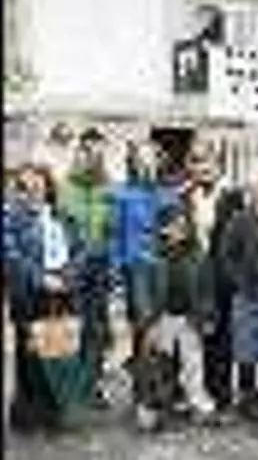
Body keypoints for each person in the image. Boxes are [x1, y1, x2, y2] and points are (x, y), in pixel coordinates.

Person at [5, 163, 93, 433]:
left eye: (37, 185)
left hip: (63, 293)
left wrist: (68, 277)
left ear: (48, 188)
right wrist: (40, 278)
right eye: (24, 186)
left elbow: (82, 249)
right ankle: (28, 416)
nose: (32, 191)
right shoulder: (11, 218)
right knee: (30, 357)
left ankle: (57, 413)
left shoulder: (63, 217)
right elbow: (10, 255)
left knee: (58, 352)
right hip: (30, 296)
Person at [133, 203, 220, 431]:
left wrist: (206, 316)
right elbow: (142, 293)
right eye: (173, 225)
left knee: (193, 363)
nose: (178, 230)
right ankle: (152, 408)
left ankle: (198, 403)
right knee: (157, 365)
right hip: (161, 317)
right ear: (163, 227)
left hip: (189, 317)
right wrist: (148, 323)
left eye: (183, 225)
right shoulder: (149, 255)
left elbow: (206, 290)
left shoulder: (198, 255)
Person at [219, 160, 258, 421]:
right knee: (246, 347)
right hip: (247, 293)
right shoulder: (240, 219)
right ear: (253, 188)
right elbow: (227, 255)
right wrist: (240, 282)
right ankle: (247, 398)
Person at [56, 127, 114, 409]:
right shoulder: (65, 187)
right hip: (75, 266)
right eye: (87, 150)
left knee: (97, 327)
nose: (92, 156)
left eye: (98, 151)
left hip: (101, 266)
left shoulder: (109, 187)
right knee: (72, 325)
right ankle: (69, 384)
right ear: (78, 152)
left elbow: (113, 228)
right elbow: (60, 227)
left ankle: (93, 384)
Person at [183, 143, 243, 410]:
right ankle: (198, 391)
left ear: (218, 165)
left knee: (223, 334)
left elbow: (237, 238)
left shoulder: (232, 195)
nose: (203, 167)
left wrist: (234, 274)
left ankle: (222, 393)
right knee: (196, 334)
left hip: (222, 274)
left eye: (208, 161)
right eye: (197, 162)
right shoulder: (185, 195)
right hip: (194, 273)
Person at [108, 142, 162, 369]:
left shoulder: (165, 193)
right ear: (133, 163)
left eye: (151, 160)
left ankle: (148, 366)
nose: (146, 165)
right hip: (136, 264)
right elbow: (115, 233)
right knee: (142, 319)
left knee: (158, 322)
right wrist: (115, 267)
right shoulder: (122, 193)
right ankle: (142, 368)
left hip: (161, 266)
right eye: (141, 160)